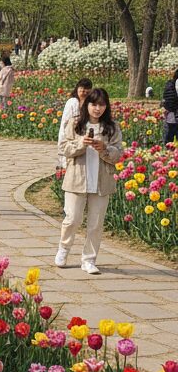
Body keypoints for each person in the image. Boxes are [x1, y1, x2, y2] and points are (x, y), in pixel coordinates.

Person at [57, 88, 124, 274]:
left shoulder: (112, 127)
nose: (97, 109)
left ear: (106, 106)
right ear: (87, 105)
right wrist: (81, 144)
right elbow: (64, 148)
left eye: (102, 105)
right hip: (76, 178)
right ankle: (64, 248)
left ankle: (89, 259)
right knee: (72, 218)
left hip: (102, 181)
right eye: (94, 104)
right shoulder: (76, 123)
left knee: (95, 223)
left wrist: (104, 148)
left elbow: (118, 154)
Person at [57, 78, 93, 168]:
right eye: (82, 89)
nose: (84, 92)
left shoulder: (90, 103)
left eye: (87, 90)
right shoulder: (72, 102)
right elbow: (66, 122)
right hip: (71, 133)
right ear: (77, 88)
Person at [162, 67, 178, 146]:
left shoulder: (169, 84)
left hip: (170, 115)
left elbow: (166, 100)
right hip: (173, 114)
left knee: (169, 137)